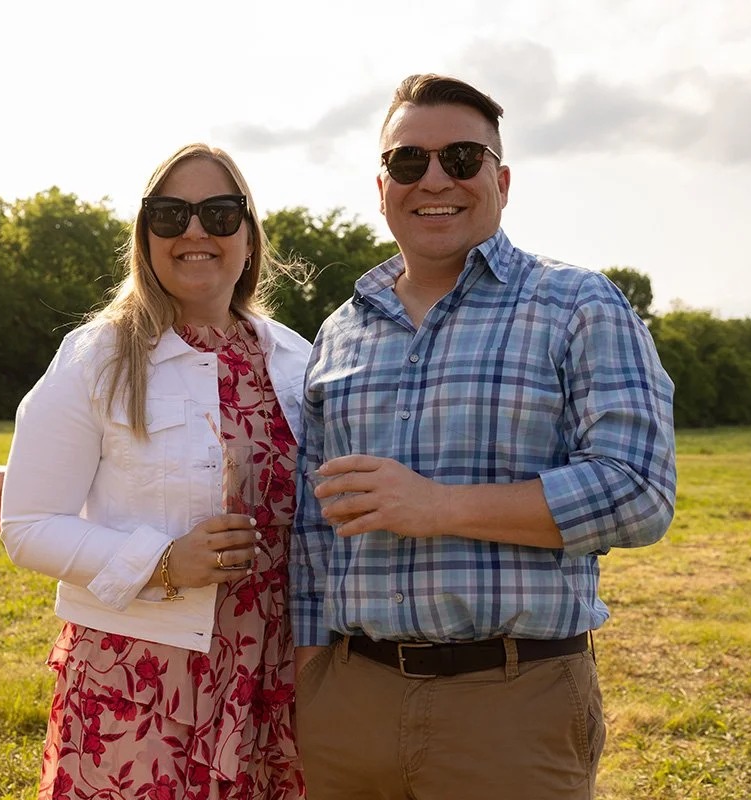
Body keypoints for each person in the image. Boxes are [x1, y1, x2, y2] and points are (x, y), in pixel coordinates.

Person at [289, 74, 677, 800]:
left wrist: (440, 507)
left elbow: (639, 492)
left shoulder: (577, 304)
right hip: (348, 706)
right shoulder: (341, 331)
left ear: (501, 181)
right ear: (382, 188)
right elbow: (313, 526)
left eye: (462, 158)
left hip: (511, 701)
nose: (435, 179)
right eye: (409, 161)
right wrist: (314, 678)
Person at [1, 143, 310, 800]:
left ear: (249, 237)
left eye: (219, 213)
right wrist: (164, 562)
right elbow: (27, 526)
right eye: (170, 214)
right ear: (145, 237)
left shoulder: (297, 360)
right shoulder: (97, 357)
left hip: (274, 679)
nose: (194, 231)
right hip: (142, 682)